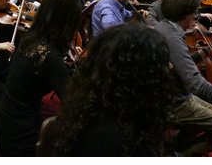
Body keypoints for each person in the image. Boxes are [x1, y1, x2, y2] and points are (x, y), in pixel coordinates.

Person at [55, 23, 176, 156]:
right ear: (140, 75)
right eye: (161, 63)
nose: (169, 67)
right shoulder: (114, 138)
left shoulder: (94, 108)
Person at [0, 0, 84, 156]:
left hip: (6, 120)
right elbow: (73, 101)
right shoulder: (50, 56)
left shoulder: (30, 38)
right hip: (21, 137)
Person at [154, 0, 212, 154]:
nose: (197, 15)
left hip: (178, 96)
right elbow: (196, 84)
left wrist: (206, 51)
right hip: (174, 103)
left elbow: (180, 64)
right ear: (186, 13)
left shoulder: (166, 27)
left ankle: (177, 150)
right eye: (195, 11)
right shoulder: (172, 37)